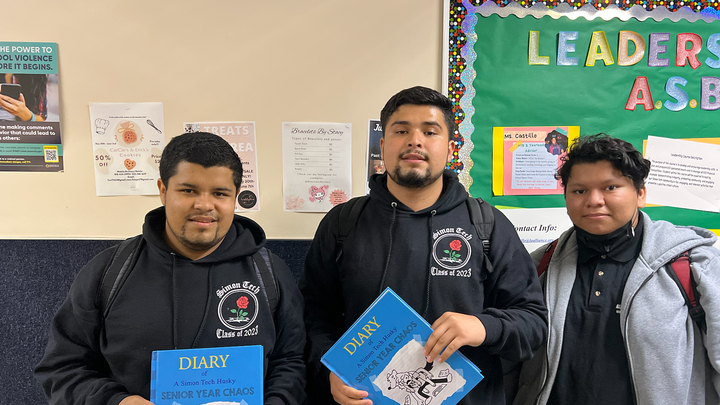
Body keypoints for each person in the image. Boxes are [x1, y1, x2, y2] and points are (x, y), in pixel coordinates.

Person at [301, 86, 548, 405]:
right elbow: (313, 316)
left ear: (451, 148)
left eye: (430, 132)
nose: (414, 141)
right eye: (401, 130)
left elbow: (533, 324)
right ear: (383, 145)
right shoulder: (343, 223)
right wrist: (329, 370)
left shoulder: (487, 225)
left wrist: (482, 326)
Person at [34, 132, 307, 405]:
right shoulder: (109, 272)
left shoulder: (269, 274)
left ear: (235, 197)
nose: (204, 205)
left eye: (220, 193)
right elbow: (63, 368)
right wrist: (116, 402)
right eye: (188, 190)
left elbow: (291, 362)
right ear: (163, 191)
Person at [512, 134, 720, 405]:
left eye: (610, 187)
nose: (594, 200)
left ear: (640, 193)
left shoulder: (692, 265)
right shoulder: (542, 264)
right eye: (579, 191)